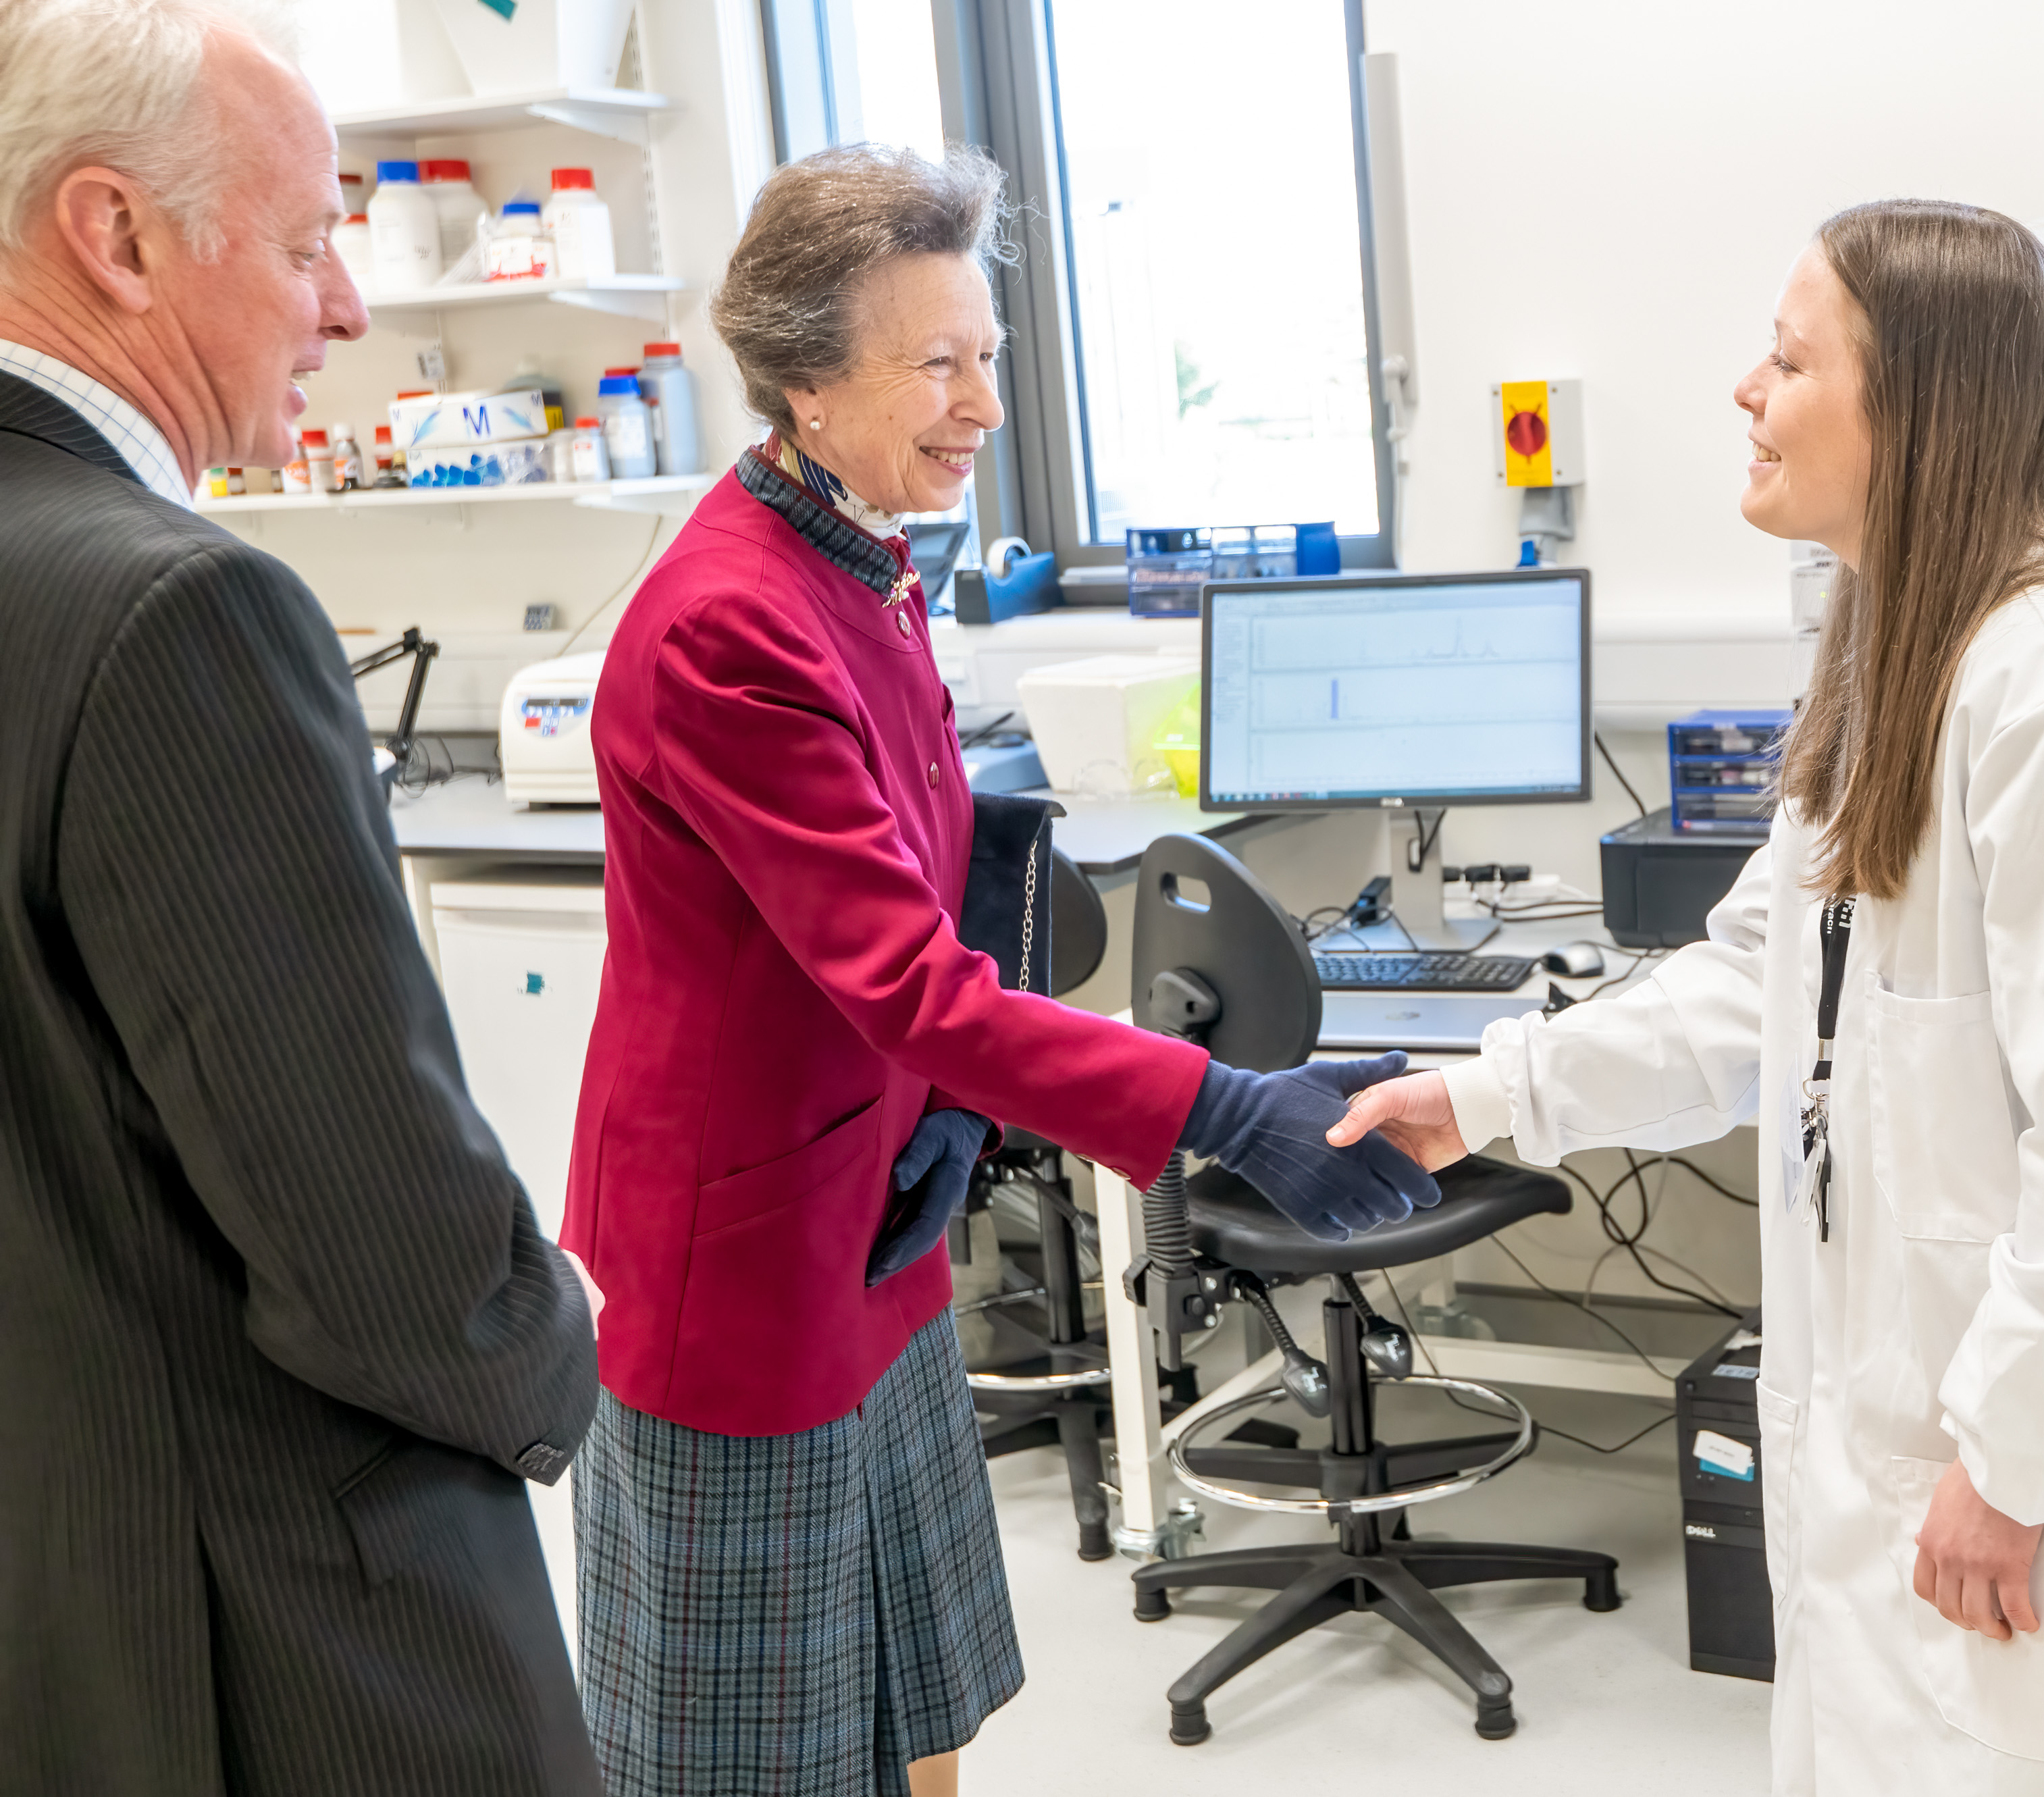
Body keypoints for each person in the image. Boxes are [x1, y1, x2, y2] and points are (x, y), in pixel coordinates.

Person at [1333, 200, 2044, 1794]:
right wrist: (1486, 1091)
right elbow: (1757, 989)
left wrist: (2014, 1460)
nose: (1745, 390)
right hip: (1917, 1465)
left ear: (1923, 403)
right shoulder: (1906, 658)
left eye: (1787, 356)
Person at [562, 142, 1431, 1797]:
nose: (981, 403)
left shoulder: (862, 560)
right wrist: (1217, 1104)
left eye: (991, 354)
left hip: (868, 1213)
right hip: (739, 1268)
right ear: (808, 380)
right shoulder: (727, 625)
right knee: (753, 1753)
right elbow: (898, 978)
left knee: (916, 1697)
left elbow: (913, 885)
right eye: (936, 364)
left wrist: (956, 1108)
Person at [0, 2, 606, 1791]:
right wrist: (552, 1330)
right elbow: (380, 1246)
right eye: (302, 240)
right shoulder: (176, 610)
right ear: (115, 234)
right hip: (278, 1630)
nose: (343, 306)